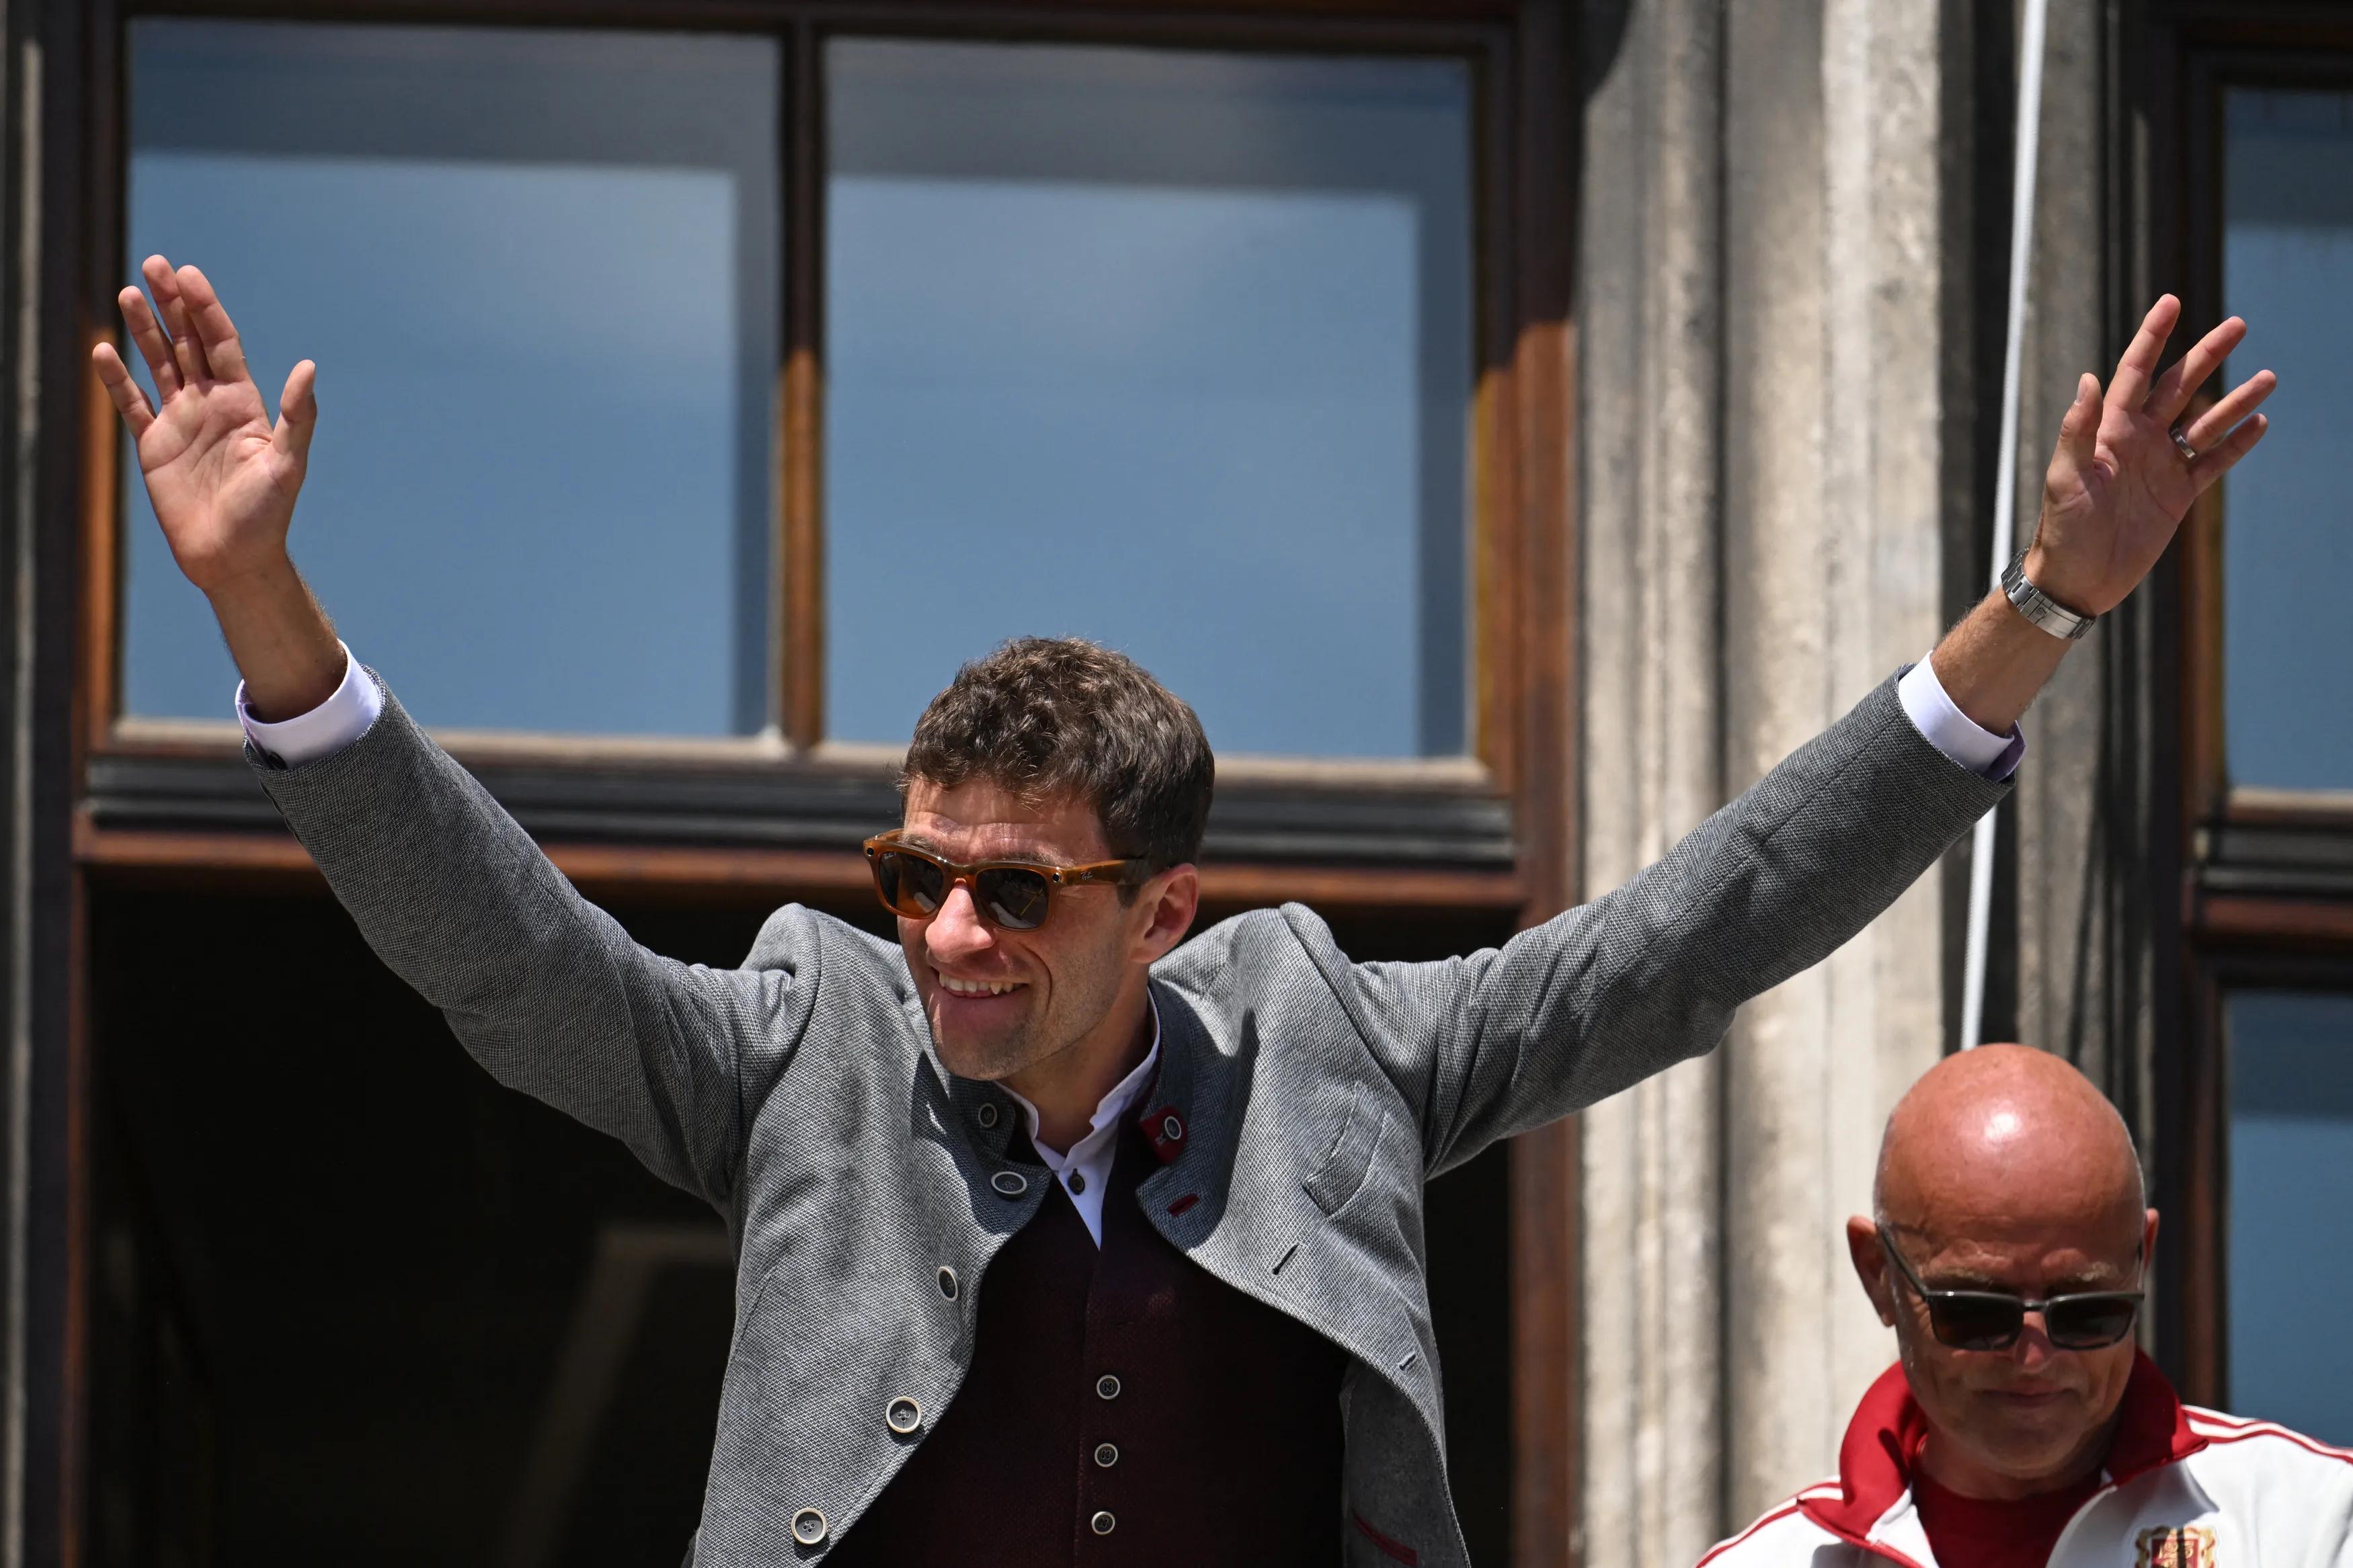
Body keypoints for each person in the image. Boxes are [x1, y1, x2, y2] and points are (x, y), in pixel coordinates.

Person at [91, 251, 2270, 1568]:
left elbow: (1698, 932)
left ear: (1168, 907)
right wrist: (264, 602)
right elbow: (498, 955)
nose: (949, 932)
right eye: (917, 877)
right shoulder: (797, 1049)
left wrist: (2050, 600)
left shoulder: (1325, 1045)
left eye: (1017, 894)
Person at [1701, 1045, 2353, 1568]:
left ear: (2141, 1260)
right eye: (1978, 1312)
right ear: (1880, 1278)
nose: (2035, 1355)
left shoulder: (2307, 1526)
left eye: (2085, 1310)